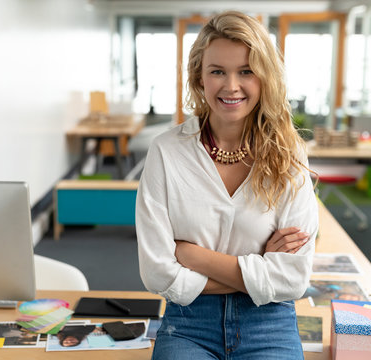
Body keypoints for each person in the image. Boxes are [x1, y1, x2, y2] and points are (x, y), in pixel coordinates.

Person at [135, 11, 319, 359]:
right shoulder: (167, 151)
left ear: (265, 78)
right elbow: (157, 272)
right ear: (199, 78)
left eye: (246, 71)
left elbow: (292, 280)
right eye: (217, 71)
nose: (231, 86)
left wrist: (192, 255)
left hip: (269, 322)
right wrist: (262, 264)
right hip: (188, 324)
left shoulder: (289, 153)